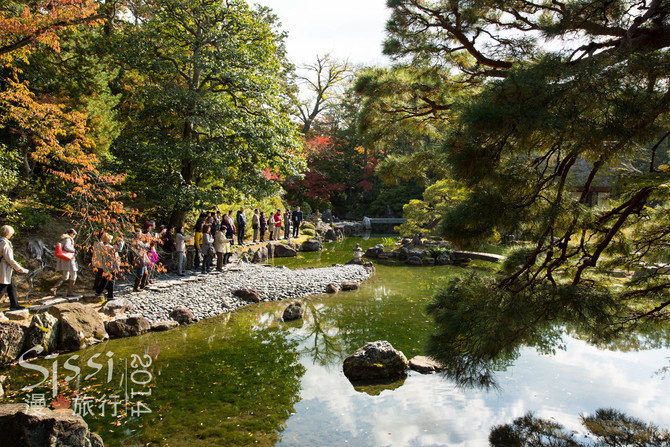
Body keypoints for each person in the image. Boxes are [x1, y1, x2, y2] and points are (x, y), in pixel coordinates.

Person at [0, 225, 29, 310]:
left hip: (3, 268)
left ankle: (14, 304)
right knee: (2, 288)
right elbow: (9, 259)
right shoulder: (5, 243)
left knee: (11, 286)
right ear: (8, 234)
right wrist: (19, 268)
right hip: (4, 268)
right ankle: (14, 305)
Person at [51, 228, 78, 296]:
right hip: (68, 260)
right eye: (74, 234)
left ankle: (54, 288)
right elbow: (66, 247)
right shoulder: (68, 239)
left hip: (64, 259)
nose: (74, 236)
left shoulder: (63, 239)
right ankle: (70, 292)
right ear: (71, 234)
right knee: (74, 275)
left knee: (65, 276)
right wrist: (74, 250)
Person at [95, 233, 121, 300]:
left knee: (105, 279)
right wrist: (121, 242)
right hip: (111, 265)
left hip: (106, 265)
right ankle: (110, 296)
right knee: (111, 280)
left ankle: (99, 291)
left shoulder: (102, 246)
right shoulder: (108, 247)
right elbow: (119, 249)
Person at [131, 228, 150, 292]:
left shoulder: (139, 241)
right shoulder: (136, 241)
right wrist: (148, 242)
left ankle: (142, 285)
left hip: (142, 257)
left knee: (145, 272)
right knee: (140, 273)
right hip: (139, 258)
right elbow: (145, 246)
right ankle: (136, 287)